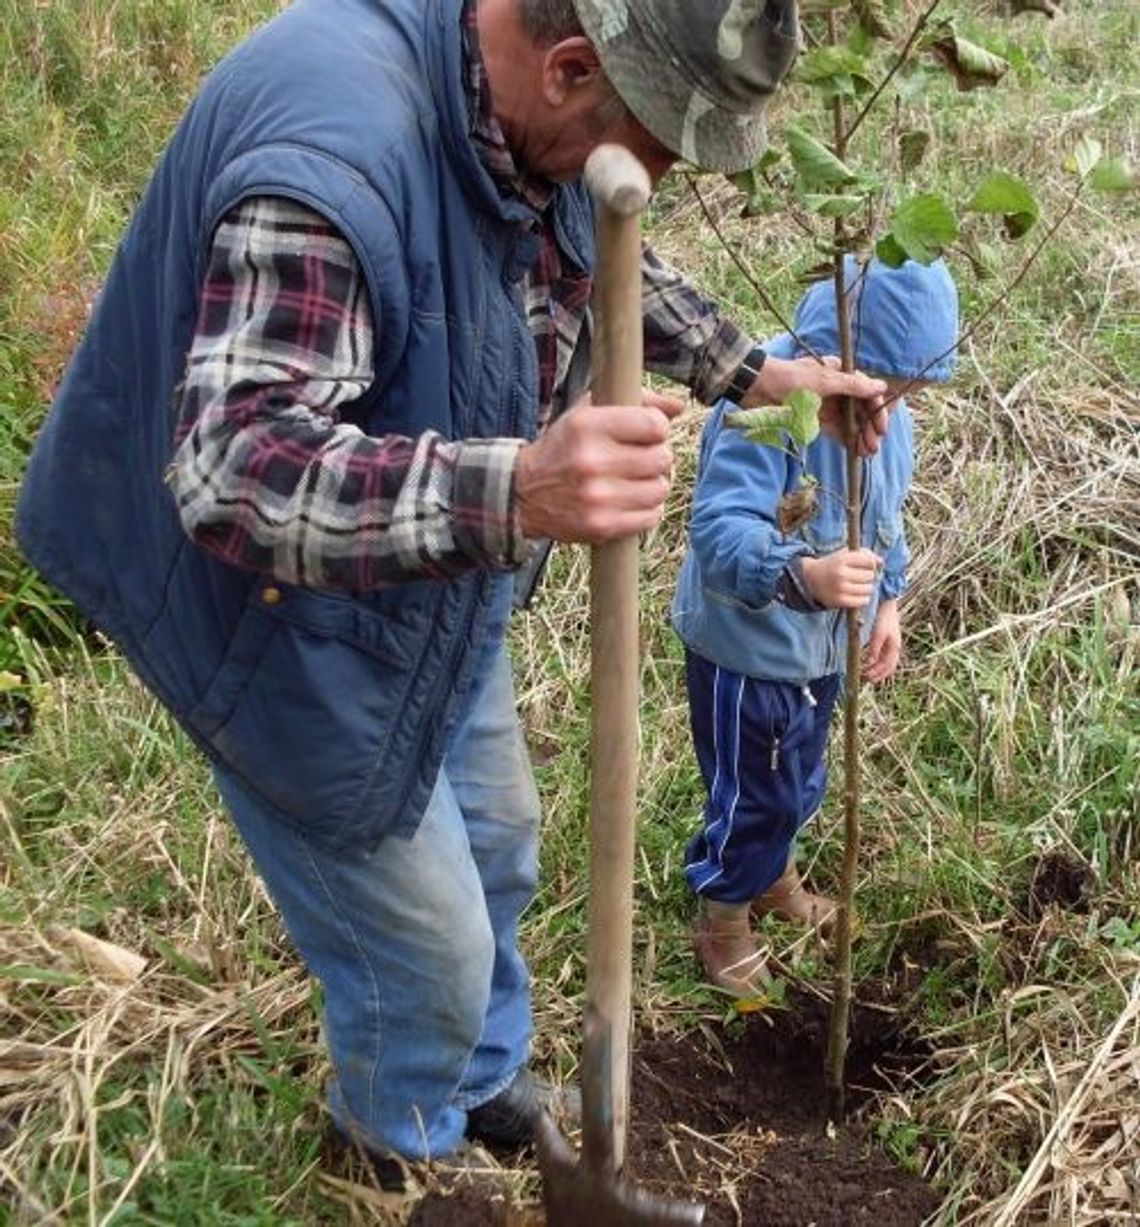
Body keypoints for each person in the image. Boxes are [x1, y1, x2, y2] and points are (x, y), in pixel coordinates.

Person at [16, 0, 892, 1179]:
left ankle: (475, 1079)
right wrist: (523, 490)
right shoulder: (334, 164)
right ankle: (395, 1144)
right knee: (425, 941)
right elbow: (233, 475)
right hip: (257, 594)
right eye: (647, 144)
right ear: (572, 65)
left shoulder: (520, 107)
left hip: (419, 551)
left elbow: (594, 225)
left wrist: (759, 371)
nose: (653, 182)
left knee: (500, 842)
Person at [672, 255, 959, 997]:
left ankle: (776, 881)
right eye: (885, 382)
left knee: (799, 780)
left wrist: (886, 601)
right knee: (754, 793)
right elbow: (720, 531)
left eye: (910, 390)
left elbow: (885, 519)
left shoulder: (890, 426)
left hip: (819, 657)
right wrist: (805, 575)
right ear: (831, 357)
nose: (892, 404)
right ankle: (724, 913)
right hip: (750, 650)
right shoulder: (765, 412)